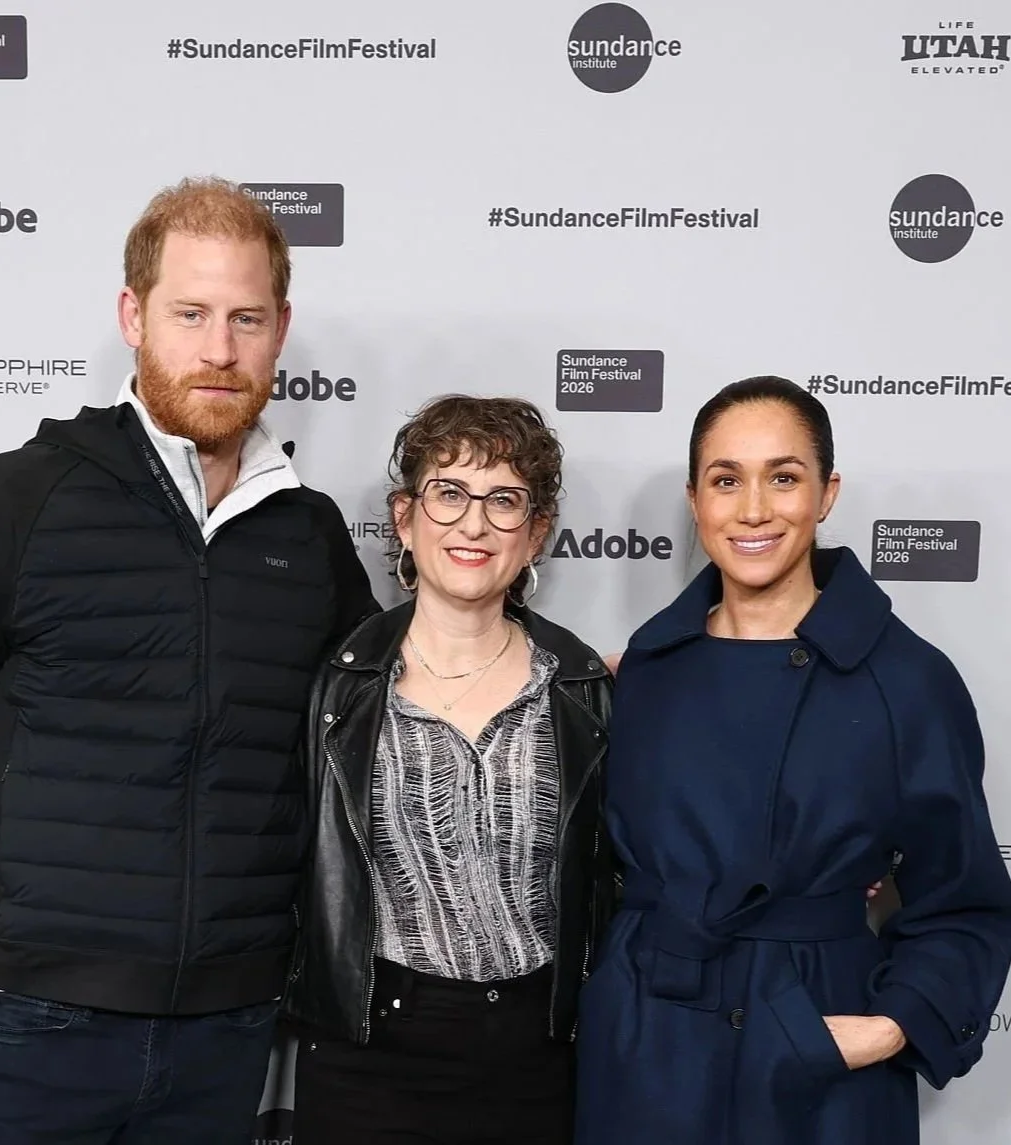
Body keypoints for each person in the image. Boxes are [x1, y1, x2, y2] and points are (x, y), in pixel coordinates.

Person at [0, 176, 376, 1144]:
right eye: (190, 313)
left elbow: (365, 737)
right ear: (132, 316)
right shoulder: (11, 501)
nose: (219, 349)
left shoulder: (307, 536)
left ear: (280, 328)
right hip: (34, 1015)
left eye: (245, 317)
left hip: (229, 1025)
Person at [575, 376, 1011, 1144]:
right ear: (693, 498)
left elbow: (966, 902)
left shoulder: (904, 680)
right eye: (725, 479)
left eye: (782, 477)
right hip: (649, 1043)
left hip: (815, 1051)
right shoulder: (643, 667)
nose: (751, 509)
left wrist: (879, 1029)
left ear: (825, 493)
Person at [283, 394, 615, 1144]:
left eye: (504, 499)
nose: (473, 523)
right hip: (366, 1052)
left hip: (538, 1058)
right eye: (449, 492)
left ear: (535, 535)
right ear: (404, 518)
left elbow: (631, 866)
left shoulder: (580, 687)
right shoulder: (337, 685)